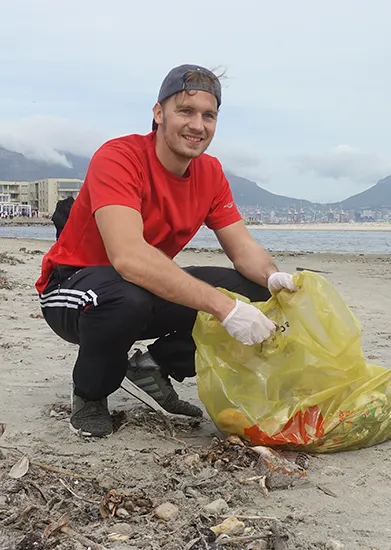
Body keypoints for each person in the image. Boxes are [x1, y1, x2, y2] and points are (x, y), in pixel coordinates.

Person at [35, 64, 298, 438]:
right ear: (158, 114)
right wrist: (224, 309)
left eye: (208, 115)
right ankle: (90, 394)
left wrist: (273, 277)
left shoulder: (210, 173)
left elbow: (243, 250)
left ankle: (155, 366)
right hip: (72, 288)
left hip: (142, 286)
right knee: (128, 297)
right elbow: (129, 258)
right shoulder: (119, 157)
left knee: (254, 292)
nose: (197, 125)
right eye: (186, 111)